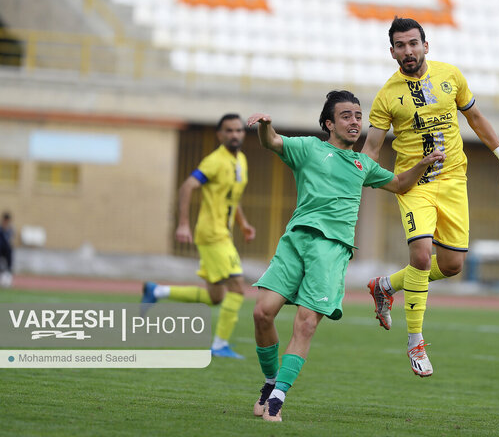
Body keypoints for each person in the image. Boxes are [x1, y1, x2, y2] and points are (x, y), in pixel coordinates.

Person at [247, 90, 445, 422]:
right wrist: (264, 126)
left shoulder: (363, 164)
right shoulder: (309, 148)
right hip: (296, 241)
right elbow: (272, 143)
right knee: (262, 314)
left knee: (306, 323)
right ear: (329, 123)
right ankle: (269, 383)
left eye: (358, 116)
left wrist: (421, 165)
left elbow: (398, 184)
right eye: (346, 116)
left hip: (333, 249)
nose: (355, 122)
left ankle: (277, 400)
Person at [362, 17, 499, 377]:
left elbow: (476, 118)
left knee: (451, 266)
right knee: (421, 255)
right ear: (392, 52)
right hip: (414, 183)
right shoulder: (388, 95)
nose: (408, 51)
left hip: (452, 181)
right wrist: (354, 182)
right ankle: (415, 341)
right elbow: (371, 148)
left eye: (413, 43)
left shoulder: (451, 76)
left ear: (426, 46)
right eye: (400, 45)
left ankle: (385, 285)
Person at [142, 113, 256, 359]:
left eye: (238, 130)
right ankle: (219, 345)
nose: (235, 134)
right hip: (213, 234)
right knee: (237, 287)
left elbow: (232, 199)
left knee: (216, 297)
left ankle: (157, 291)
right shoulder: (215, 161)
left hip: (222, 233)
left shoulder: (242, 161)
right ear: (220, 135)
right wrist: (183, 223)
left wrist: (244, 223)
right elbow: (187, 186)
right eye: (229, 130)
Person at [0, 212, 14, 288]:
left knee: (10, 251)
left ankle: (8, 276)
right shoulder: (0, 229)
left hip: (6, 249)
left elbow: (10, 240)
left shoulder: (10, 229)